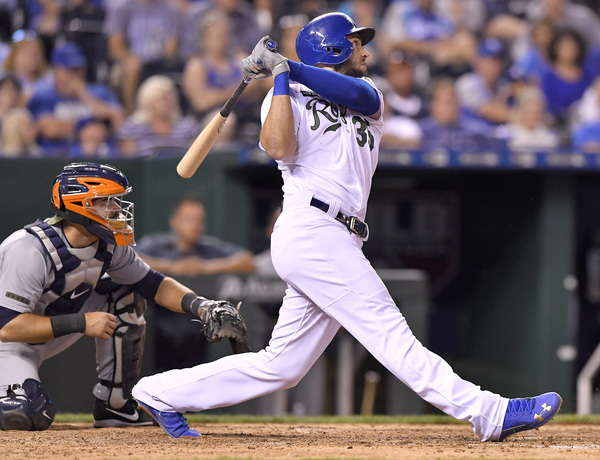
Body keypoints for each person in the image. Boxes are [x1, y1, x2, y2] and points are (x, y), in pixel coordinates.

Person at [132, 12, 562, 441]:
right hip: (310, 228)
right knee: (388, 330)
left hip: (339, 235)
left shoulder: (367, 92)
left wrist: (285, 65)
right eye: (356, 44)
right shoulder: (285, 95)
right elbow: (279, 146)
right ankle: (489, 412)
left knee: (282, 366)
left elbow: (360, 96)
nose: (365, 51)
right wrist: (281, 77)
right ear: (334, 47)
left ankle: (159, 393)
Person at [0, 162, 248, 431]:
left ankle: (115, 406)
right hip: (9, 344)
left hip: (46, 332)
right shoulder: (28, 249)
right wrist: (82, 323)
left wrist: (202, 306)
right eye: (106, 201)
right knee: (25, 413)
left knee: (125, 291)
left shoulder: (108, 244)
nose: (117, 208)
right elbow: (7, 327)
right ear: (80, 204)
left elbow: (153, 283)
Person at [135, 193, 256, 371]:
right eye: (189, 219)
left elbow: (247, 260)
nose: (194, 225)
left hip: (196, 339)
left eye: (199, 220)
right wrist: (173, 267)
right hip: (157, 339)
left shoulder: (207, 248)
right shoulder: (157, 245)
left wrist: (205, 267)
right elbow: (130, 258)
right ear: (175, 221)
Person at [27, 41, 125, 157]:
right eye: (70, 70)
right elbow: (49, 128)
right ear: (56, 71)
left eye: (79, 69)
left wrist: (85, 95)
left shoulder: (99, 92)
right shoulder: (44, 95)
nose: (75, 75)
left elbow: (120, 121)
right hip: (58, 158)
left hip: (103, 157)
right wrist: (84, 128)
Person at [116, 75, 199, 157]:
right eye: (159, 99)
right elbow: (128, 160)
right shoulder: (132, 128)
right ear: (148, 102)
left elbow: (197, 155)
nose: (166, 103)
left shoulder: (188, 127)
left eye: (169, 98)